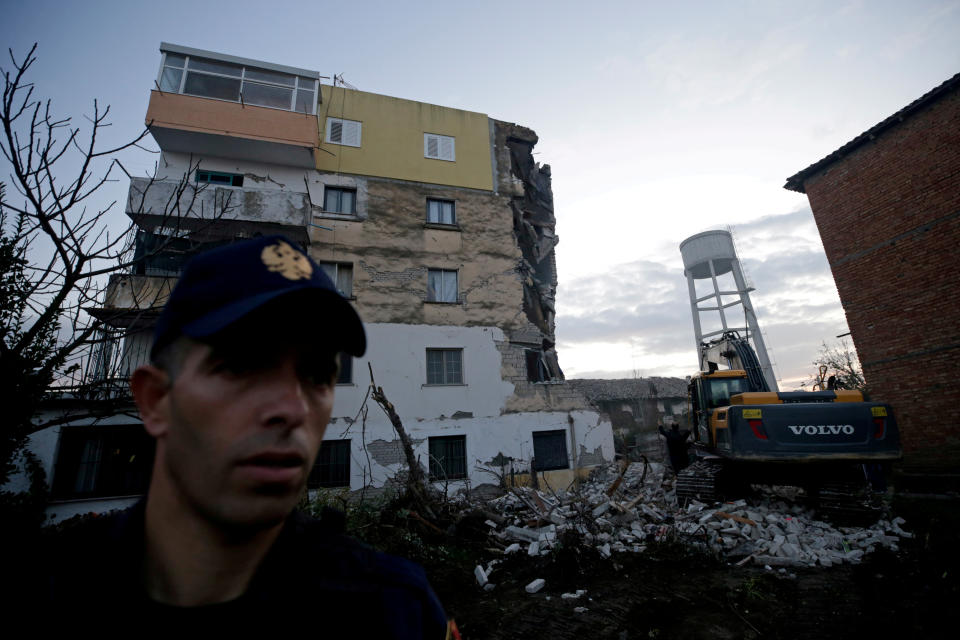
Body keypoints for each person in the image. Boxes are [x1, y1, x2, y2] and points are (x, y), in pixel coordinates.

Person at [29, 236, 454, 635]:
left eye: (317, 375)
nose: (292, 409)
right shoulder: (54, 588)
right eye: (242, 366)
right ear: (156, 400)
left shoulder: (394, 612)